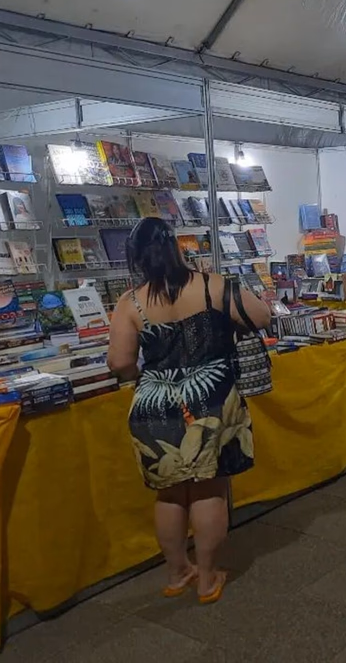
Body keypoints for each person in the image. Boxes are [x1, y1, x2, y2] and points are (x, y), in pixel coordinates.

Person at [108, 217, 271, 604]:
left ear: (136, 258)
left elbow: (120, 362)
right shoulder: (214, 284)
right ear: (177, 248)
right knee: (208, 489)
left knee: (168, 493)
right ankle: (208, 577)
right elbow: (262, 316)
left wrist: (150, 375)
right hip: (211, 400)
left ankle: (178, 571)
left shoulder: (130, 302)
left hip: (154, 404)